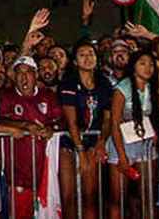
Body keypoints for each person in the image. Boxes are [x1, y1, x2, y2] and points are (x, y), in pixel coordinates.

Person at [0, 56, 61, 219]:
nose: (23, 76)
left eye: (28, 72)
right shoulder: (7, 96)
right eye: (19, 73)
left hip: (45, 173)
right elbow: (0, 120)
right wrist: (25, 125)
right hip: (19, 174)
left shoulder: (48, 96)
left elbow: (61, 121)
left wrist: (51, 128)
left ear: (36, 75)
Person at [58, 41, 110, 219]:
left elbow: (107, 119)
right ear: (74, 60)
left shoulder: (104, 83)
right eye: (82, 54)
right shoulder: (69, 83)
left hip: (93, 140)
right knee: (68, 195)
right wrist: (80, 152)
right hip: (69, 141)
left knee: (90, 196)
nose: (88, 58)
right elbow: (71, 121)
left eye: (91, 53)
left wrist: (102, 141)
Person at [107, 50, 159, 219]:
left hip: (144, 145)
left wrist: (155, 133)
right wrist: (121, 155)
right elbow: (114, 123)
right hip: (121, 145)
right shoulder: (122, 88)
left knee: (147, 194)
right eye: (143, 63)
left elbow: (152, 116)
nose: (148, 68)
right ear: (133, 66)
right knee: (118, 199)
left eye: (151, 64)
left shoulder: (151, 88)